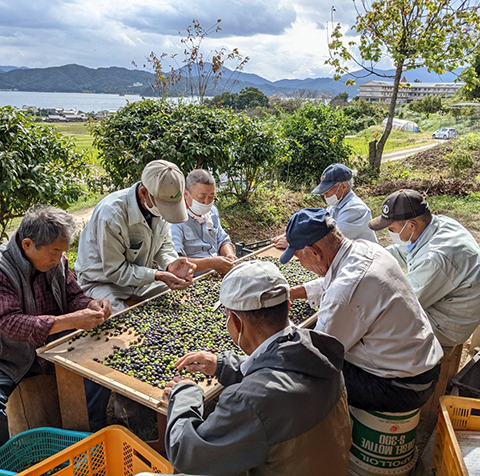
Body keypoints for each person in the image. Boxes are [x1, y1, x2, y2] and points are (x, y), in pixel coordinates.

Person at [162, 260, 352, 476]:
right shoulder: (321, 349)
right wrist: (222, 364)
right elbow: (282, 368)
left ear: (235, 321)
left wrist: (185, 394)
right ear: (288, 305)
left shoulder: (250, 403)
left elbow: (186, 453)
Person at [281, 208, 443, 413]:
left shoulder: (344, 293)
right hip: (424, 361)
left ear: (314, 252)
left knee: (307, 372)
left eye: (298, 257)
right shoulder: (365, 249)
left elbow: (319, 355)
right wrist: (291, 292)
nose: (302, 265)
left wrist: (278, 323)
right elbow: (332, 282)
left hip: (405, 386)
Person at [0, 205, 112, 444]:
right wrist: (70, 321)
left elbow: (73, 297)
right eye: (54, 252)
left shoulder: (57, 262)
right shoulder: (2, 269)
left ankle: (88, 437)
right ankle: (9, 461)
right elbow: (10, 323)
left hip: (55, 345)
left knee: (101, 372)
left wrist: (91, 304)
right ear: (27, 244)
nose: (58, 258)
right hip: (10, 357)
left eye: (62, 251)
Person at [75, 160, 196, 314]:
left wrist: (171, 264)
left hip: (139, 280)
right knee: (117, 320)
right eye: (163, 206)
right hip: (102, 282)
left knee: (178, 301)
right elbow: (115, 271)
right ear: (144, 192)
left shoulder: (156, 206)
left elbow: (163, 243)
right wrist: (157, 274)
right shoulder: (111, 214)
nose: (165, 211)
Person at [369, 189, 480, 348]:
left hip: (450, 324)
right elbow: (402, 251)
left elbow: (403, 303)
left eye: (391, 229)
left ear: (411, 225)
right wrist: (367, 260)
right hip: (452, 300)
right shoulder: (437, 224)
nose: (389, 233)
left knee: (379, 328)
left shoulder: (434, 260)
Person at [273, 163, 376, 249]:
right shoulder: (334, 207)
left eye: (328, 190)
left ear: (343, 186)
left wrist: (296, 244)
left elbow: (333, 240)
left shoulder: (355, 210)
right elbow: (320, 228)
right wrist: (293, 235)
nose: (324, 194)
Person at [171, 169, 236, 276]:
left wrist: (229, 255)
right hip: (191, 278)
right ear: (186, 194)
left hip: (217, 274)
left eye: (211, 197)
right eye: (202, 197)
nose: (206, 202)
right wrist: (210, 263)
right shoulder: (175, 219)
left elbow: (222, 240)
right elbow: (175, 263)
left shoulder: (212, 212)